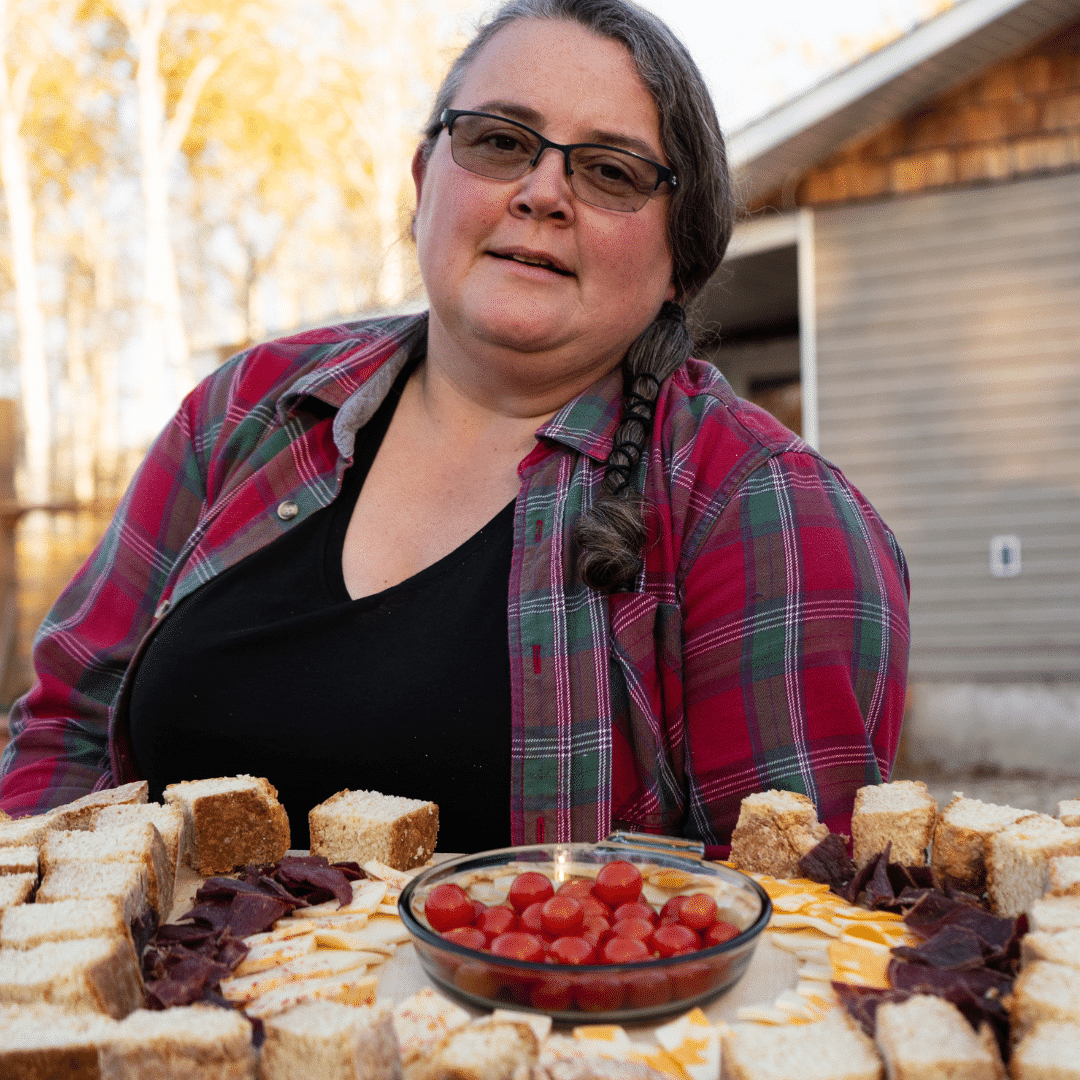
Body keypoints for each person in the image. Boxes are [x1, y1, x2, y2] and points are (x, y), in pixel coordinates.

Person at [0, 0, 909, 857]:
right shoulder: (249, 411)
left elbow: (782, 920)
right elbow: (66, 729)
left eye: (609, 171)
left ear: (683, 256)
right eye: (500, 141)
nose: (543, 191)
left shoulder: (765, 511)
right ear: (424, 180)